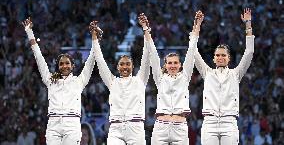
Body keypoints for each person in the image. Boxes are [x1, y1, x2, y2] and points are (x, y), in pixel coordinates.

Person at [22, 18, 97, 145]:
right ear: (58, 66)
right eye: (61, 64)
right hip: (53, 124)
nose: (64, 66)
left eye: (67, 63)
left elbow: (90, 61)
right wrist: (29, 32)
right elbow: (39, 58)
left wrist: (95, 38)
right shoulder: (50, 80)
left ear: (73, 66)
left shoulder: (79, 81)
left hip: (72, 124)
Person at [194, 8, 254, 145]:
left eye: (223, 55)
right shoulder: (207, 72)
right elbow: (194, 52)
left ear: (229, 58)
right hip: (209, 123)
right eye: (217, 55)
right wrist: (197, 25)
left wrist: (248, 24)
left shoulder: (235, 74)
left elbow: (249, 51)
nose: (220, 57)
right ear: (214, 59)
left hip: (229, 123)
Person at [90, 15, 151, 145]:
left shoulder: (140, 79)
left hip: (136, 128)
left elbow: (146, 55)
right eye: (122, 64)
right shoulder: (113, 82)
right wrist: (94, 39)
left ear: (133, 67)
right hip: (115, 129)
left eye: (127, 64)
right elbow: (100, 61)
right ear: (117, 67)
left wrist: (145, 28)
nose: (125, 67)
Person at [146, 12, 203, 144]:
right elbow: (153, 55)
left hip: (180, 128)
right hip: (161, 127)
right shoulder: (159, 78)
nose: (172, 65)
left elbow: (191, 50)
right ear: (165, 65)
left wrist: (197, 25)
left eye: (175, 62)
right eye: (169, 63)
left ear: (180, 65)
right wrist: (146, 29)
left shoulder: (185, 77)